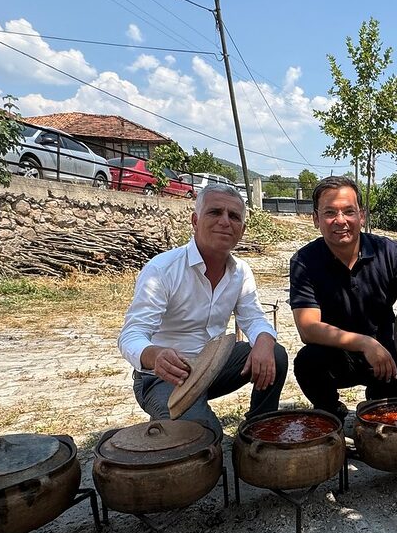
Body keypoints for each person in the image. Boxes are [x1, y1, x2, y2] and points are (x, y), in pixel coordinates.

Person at [118, 181, 287, 438]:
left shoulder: (240, 271)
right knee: (203, 437)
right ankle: (174, 419)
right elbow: (131, 335)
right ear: (195, 220)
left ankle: (258, 433)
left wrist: (264, 339)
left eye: (234, 216)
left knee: (274, 353)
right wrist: (156, 355)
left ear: (242, 229)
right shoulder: (163, 269)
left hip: (213, 365)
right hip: (165, 376)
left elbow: (253, 319)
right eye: (215, 212)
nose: (225, 221)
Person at [289, 175, 397, 419]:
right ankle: (330, 409)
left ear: (362, 215)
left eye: (349, 211)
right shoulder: (304, 261)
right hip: (337, 355)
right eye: (330, 213)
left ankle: (380, 395)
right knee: (306, 362)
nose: (341, 220)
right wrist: (365, 343)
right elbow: (308, 328)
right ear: (315, 219)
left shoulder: (388, 250)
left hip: (389, 352)